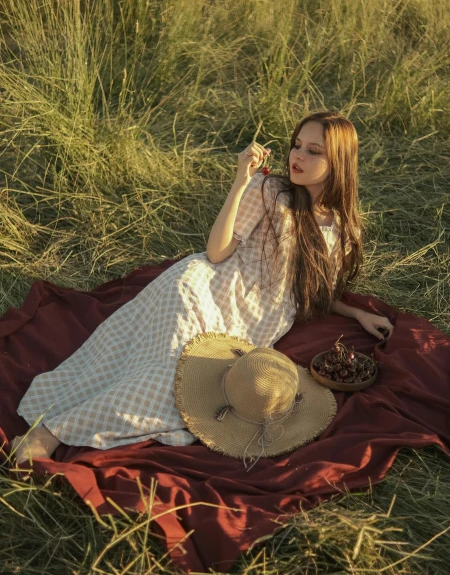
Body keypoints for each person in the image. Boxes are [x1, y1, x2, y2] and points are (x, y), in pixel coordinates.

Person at [10, 110, 394, 471]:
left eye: (313, 151)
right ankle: (51, 431)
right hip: (205, 285)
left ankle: (62, 426)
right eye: (297, 145)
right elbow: (217, 251)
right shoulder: (269, 192)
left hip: (256, 318)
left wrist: (358, 313)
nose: (298, 156)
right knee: (166, 367)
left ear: (339, 161)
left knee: (182, 384)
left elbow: (317, 289)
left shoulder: (343, 229)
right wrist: (241, 182)